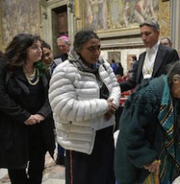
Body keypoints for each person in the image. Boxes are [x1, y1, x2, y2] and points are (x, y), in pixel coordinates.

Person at [49, 29, 121, 184]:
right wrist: (104, 106)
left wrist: (113, 103)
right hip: (80, 140)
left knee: (106, 178)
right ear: (78, 49)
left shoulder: (103, 66)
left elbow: (115, 87)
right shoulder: (64, 70)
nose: (96, 52)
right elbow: (65, 108)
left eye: (98, 47)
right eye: (91, 48)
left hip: (105, 134)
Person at [115, 60, 180, 184]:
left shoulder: (178, 95)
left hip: (161, 159)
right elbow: (130, 131)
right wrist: (146, 158)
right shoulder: (149, 94)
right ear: (176, 79)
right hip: (142, 164)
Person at [0, 34, 55, 184]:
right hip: (15, 127)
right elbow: (2, 96)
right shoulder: (6, 68)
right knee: (16, 168)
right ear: (22, 49)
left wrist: (42, 114)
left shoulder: (43, 69)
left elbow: (51, 95)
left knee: (37, 166)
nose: (40, 50)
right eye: (34, 47)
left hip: (39, 126)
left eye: (40, 47)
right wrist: (24, 116)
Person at [119, 21, 179, 92]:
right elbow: (134, 81)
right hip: (143, 99)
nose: (143, 38)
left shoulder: (169, 53)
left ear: (157, 33)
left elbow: (174, 81)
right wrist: (114, 88)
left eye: (147, 34)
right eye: (141, 34)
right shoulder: (142, 56)